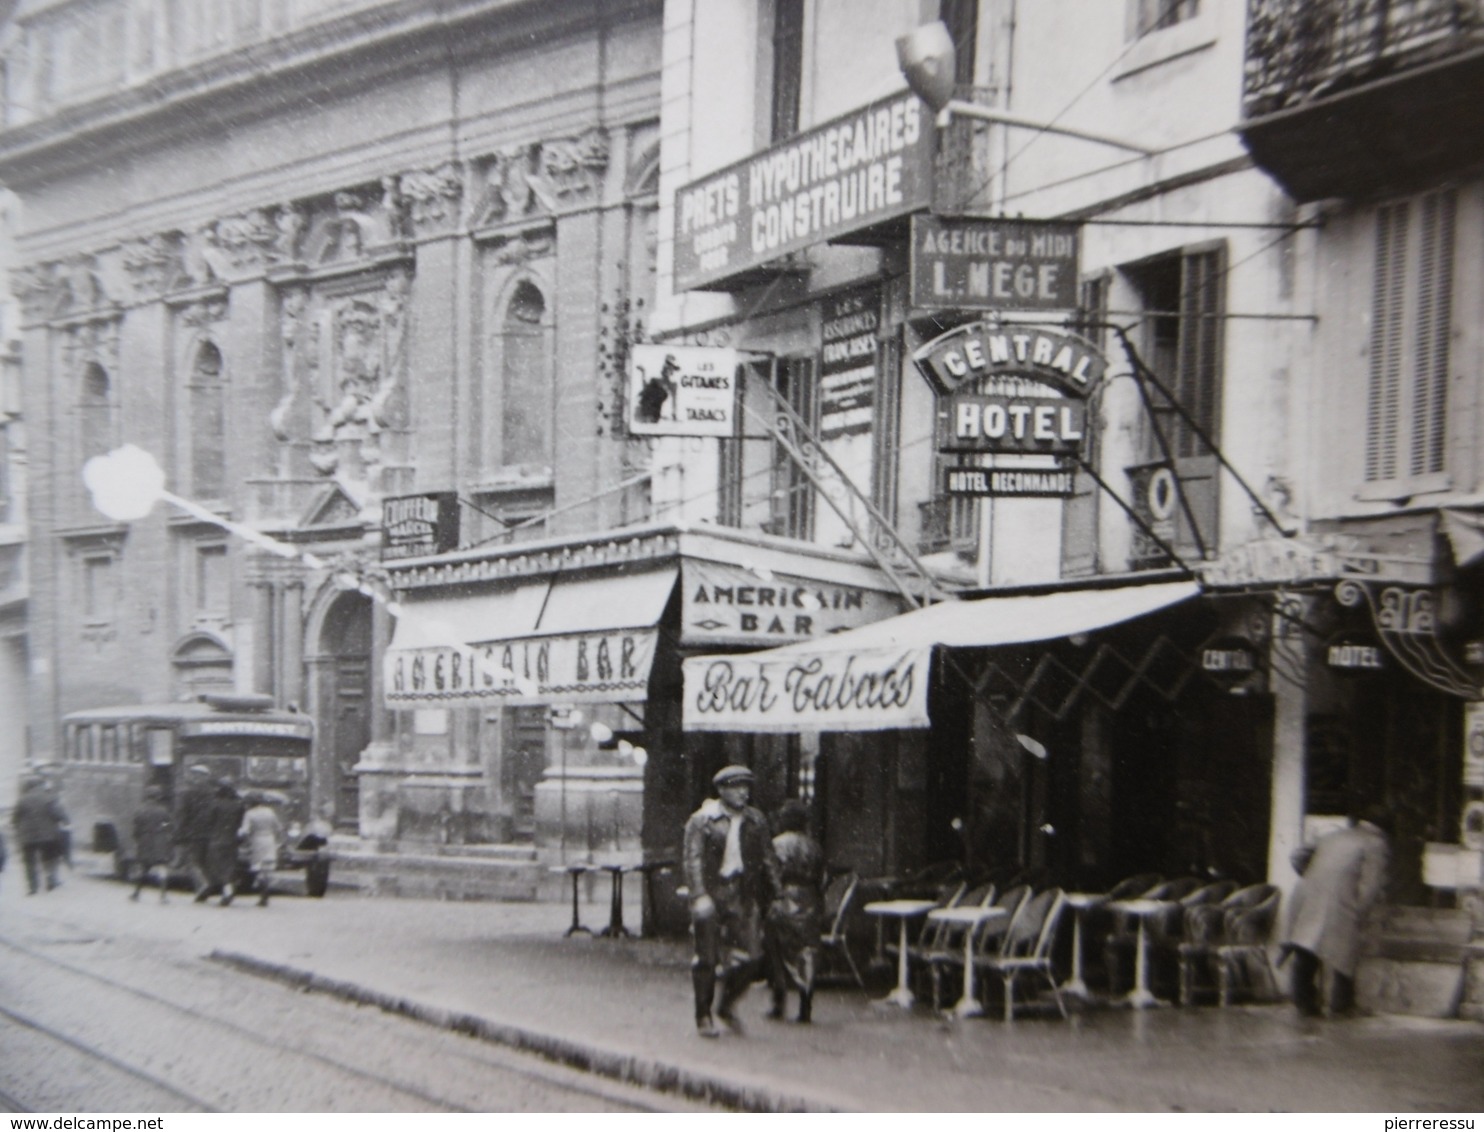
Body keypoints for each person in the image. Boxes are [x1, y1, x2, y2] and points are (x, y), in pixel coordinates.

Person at [683, 764, 780, 1038]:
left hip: (742, 892)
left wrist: (779, 893)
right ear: (722, 790)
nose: (743, 793)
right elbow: (693, 859)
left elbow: (768, 858)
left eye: (746, 787)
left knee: (753, 956)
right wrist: (699, 895)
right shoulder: (703, 820)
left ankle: (726, 1005)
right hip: (713, 891)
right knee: (707, 957)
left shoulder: (756, 820)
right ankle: (703, 1015)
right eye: (737, 787)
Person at [1282, 804, 1392, 1018]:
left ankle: (1303, 1002)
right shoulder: (1376, 844)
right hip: (1342, 901)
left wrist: (1313, 876)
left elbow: (1297, 855)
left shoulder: (1334, 835)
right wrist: (1360, 910)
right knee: (1344, 952)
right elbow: (1371, 884)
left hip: (1308, 894)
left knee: (1306, 947)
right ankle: (1341, 1004)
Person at [765, 799, 827, 1024]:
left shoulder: (776, 844)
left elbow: (769, 874)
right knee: (807, 952)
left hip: (784, 899)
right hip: (809, 899)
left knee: (777, 952)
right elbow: (822, 878)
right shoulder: (814, 846)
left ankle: (778, 1003)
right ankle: (805, 1006)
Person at [12, 776, 68, 895]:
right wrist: (66, 820)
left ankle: (33, 887)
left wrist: (17, 830)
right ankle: (50, 880)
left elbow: (15, 818)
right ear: (40, 786)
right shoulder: (48, 797)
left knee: (29, 862)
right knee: (49, 858)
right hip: (48, 835)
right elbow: (58, 813)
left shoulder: (22, 799)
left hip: (27, 836)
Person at [198, 778, 246, 906]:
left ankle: (223, 892)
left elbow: (207, 822)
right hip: (232, 840)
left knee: (215, 867)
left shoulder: (215, 804)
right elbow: (241, 823)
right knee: (228, 866)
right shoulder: (239, 805)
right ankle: (226, 890)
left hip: (216, 839)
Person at [176, 764, 217, 899]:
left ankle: (203, 884)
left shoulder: (187, 793)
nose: (193, 777)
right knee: (204, 862)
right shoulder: (213, 792)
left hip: (193, 832)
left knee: (192, 862)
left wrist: (179, 833)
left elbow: (182, 815)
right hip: (210, 833)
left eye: (195, 775)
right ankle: (200, 893)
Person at [238, 793, 284, 907]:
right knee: (267, 867)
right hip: (270, 840)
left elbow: (245, 830)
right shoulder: (270, 811)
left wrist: (240, 836)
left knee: (258, 867)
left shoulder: (250, 813)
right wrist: (279, 841)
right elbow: (278, 827)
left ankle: (262, 891)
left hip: (257, 841)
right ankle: (266, 890)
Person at [130, 786, 174, 903]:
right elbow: (169, 826)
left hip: (145, 842)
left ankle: (136, 893)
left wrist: (138, 840)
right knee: (162, 868)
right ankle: (163, 896)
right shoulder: (163, 810)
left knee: (144, 868)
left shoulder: (140, 810)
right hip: (160, 842)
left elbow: (136, 829)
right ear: (158, 797)